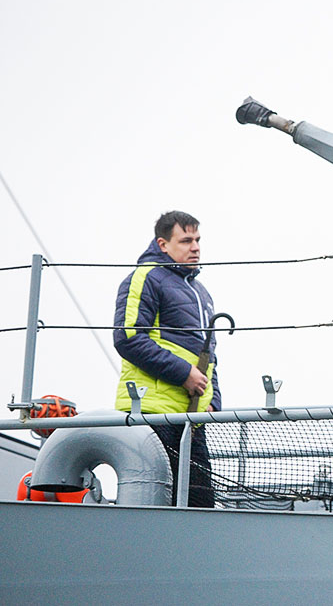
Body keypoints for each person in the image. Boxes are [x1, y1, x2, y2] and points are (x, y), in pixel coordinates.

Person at [113, 211, 221, 507]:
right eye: (186, 240)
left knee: (200, 506)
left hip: (192, 418)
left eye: (197, 239)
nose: (195, 247)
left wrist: (214, 403)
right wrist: (184, 374)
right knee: (154, 504)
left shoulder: (202, 293)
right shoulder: (145, 277)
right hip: (151, 414)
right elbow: (129, 337)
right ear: (163, 244)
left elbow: (209, 356)